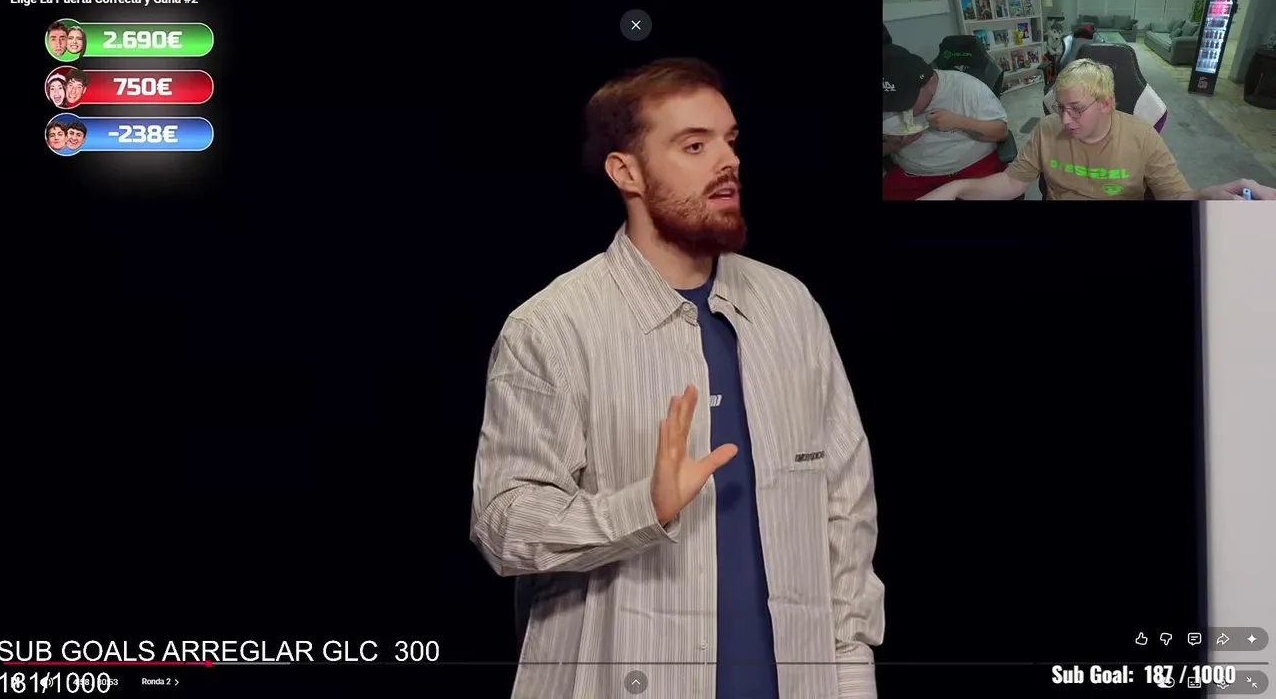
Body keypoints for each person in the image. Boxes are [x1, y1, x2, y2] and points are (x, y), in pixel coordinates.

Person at [471, 58, 884, 699]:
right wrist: (643, 508)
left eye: (729, 140)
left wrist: (853, 680)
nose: (728, 161)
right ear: (626, 172)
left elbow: (846, 505)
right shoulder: (551, 327)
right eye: (694, 145)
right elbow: (502, 524)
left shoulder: (791, 306)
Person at [918, 59, 1276, 200]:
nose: (1065, 119)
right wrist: (956, 188)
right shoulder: (1047, 129)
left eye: (1076, 109)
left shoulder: (1142, 137)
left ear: (1106, 103)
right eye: (1060, 108)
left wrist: (1205, 197)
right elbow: (1011, 182)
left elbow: (1177, 197)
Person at [882, 44, 1011, 200]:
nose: (902, 109)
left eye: (907, 100)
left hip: (972, 167)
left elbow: (1001, 132)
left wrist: (960, 122)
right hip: (914, 175)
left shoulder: (968, 87)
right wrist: (892, 146)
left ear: (930, 81)